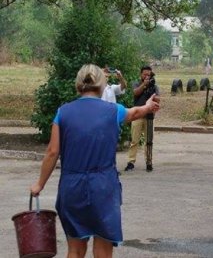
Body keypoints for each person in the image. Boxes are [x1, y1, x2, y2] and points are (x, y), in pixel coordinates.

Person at [30, 64, 160, 258]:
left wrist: (39, 184)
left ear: (78, 85)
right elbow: (134, 113)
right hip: (103, 186)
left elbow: (52, 152)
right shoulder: (112, 110)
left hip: (71, 186)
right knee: (103, 251)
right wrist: (149, 106)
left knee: (75, 250)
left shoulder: (63, 112)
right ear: (102, 85)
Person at [125, 65, 160, 172]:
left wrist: (155, 97)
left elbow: (158, 99)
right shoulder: (137, 83)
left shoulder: (154, 85)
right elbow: (135, 92)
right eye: (144, 74)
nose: (146, 76)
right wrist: (144, 85)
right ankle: (131, 162)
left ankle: (149, 162)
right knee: (134, 140)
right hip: (137, 115)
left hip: (149, 116)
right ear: (141, 74)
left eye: (148, 74)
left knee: (149, 141)